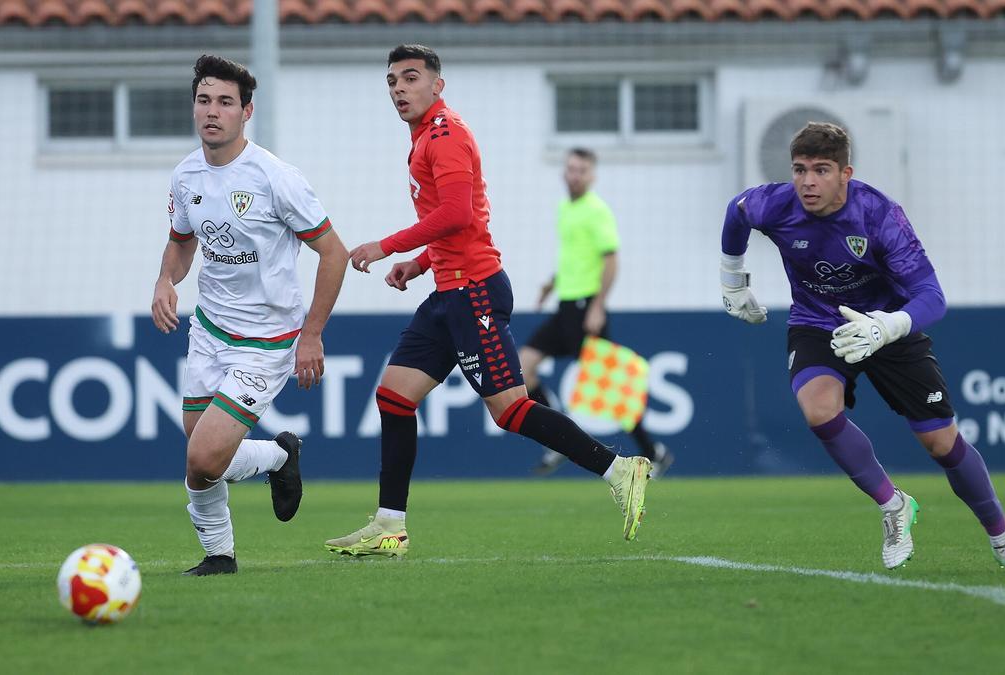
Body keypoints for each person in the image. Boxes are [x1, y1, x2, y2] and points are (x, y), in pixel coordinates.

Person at [328, 44, 651, 557]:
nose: (399, 89)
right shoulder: (426, 137)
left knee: (509, 409)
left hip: (474, 290)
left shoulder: (446, 134)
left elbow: (458, 214)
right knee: (394, 397)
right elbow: (466, 217)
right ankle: (390, 526)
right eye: (392, 81)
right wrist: (421, 263)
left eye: (410, 78)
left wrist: (388, 246)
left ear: (437, 84)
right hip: (448, 289)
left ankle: (619, 469)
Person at [720, 122, 1005, 573]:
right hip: (818, 322)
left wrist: (887, 327)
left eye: (821, 170)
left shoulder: (878, 215)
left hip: (888, 326)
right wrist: (732, 281)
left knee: (942, 444)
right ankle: (893, 505)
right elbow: (736, 213)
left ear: (845, 174)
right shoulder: (774, 203)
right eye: (799, 169)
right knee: (818, 410)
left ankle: (1003, 539)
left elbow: (932, 297)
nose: (808, 181)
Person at [151, 54, 349, 576]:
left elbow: (334, 253)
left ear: (246, 111)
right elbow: (181, 243)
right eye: (204, 100)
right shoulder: (185, 175)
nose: (212, 111)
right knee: (201, 454)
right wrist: (165, 281)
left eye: (225, 102)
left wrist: (312, 335)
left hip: (266, 342)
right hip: (209, 331)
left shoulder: (275, 178)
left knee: (201, 459)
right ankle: (221, 554)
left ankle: (277, 462)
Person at [521, 148, 674, 478]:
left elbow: (611, 260)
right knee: (523, 366)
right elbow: (575, 257)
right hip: (565, 307)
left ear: (592, 176)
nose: (575, 175)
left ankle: (653, 452)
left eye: (582, 170)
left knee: (611, 389)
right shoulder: (565, 208)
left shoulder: (597, 211)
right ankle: (556, 437)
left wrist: (598, 306)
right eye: (571, 169)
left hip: (586, 309)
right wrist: (551, 284)